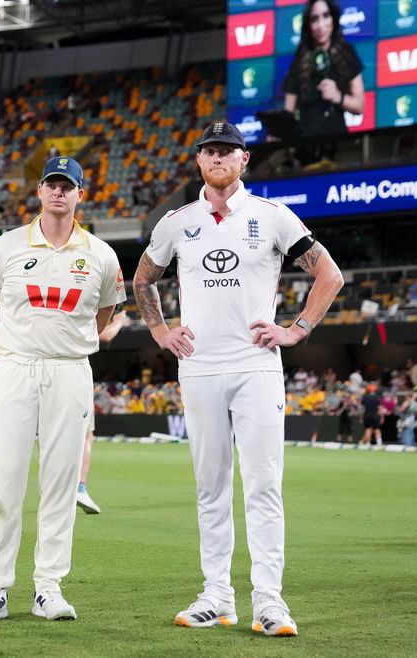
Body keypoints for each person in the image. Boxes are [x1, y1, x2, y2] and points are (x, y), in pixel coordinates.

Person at [131, 120, 343, 636]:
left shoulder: (272, 216)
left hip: (255, 367)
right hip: (199, 367)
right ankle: (217, 595)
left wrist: (296, 330)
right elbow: (142, 279)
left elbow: (329, 274)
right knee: (211, 486)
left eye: (228, 151)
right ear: (199, 161)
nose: (219, 158)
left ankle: (269, 602)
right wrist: (161, 332)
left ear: (244, 160)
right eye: (211, 151)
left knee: (264, 485)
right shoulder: (177, 222)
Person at [0, 155, 125, 623]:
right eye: (51, 185)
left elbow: (103, 314)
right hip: (16, 369)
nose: (59, 192)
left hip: (70, 370)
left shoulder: (100, 254)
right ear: (39, 192)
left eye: (67, 186)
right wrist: (0, 349)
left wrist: (68, 344)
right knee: (3, 483)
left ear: (80, 194)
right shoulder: (6, 246)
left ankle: (48, 588)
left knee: (60, 484)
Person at [282, 0, 364, 163]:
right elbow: (288, 111)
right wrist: (280, 130)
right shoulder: (299, 60)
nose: (321, 25)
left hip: (339, 144)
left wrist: (338, 97)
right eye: (314, 19)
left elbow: (359, 105)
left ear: (333, 19)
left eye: (326, 16)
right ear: (308, 25)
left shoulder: (346, 53)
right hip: (307, 147)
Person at [77, 308, 131, 515]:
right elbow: (103, 335)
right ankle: (80, 488)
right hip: (73, 372)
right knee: (86, 436)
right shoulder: (76, 309)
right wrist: (118, 321)